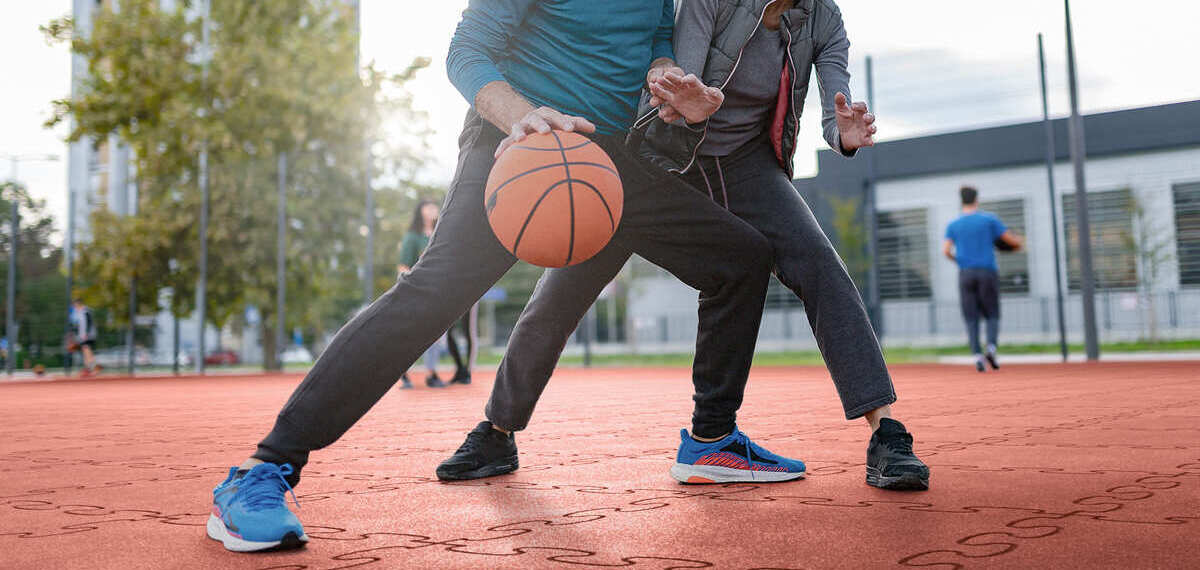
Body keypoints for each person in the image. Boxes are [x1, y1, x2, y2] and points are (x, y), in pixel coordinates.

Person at [208, 0, 781, 553]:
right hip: (518, 142)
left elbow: (653, 42)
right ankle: (263, 470)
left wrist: (668, 82)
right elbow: (466, 51)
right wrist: (522, 116)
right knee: (435, 294)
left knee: (743, 258)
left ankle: (712, 438)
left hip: (607, 161)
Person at [438, 0, 931, 492]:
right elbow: (674, 85)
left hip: (746, 167)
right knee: (563, 292)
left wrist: (843, 134)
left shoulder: (824, 17)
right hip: (668, 158)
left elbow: (836, 102)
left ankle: (885, 434)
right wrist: (685, 100)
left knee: (820, 264)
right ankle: (496, 432)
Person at [943, 185, 1024, 372]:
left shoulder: (954, 225)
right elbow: (1012, 241)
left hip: (966, 273)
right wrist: (1017, 242)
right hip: (987, 272)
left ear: (961, 200)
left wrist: (960, 261)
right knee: (992, 313)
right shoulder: (989, 220)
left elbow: (946, 250)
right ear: (976, 200)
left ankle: (977, 356)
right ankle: (991, 348)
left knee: (971, 316)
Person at [396, 200, 449, 389]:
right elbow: (403, 266)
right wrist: (407, 291)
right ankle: (403, 373)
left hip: (437, 291)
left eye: (435, 207)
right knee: (411, 334)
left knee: (435, 334)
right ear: (420, 212)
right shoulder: (412, 237)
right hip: (416, 291)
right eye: (429, 207)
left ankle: (431, 373)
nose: (433, 210)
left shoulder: (440, 234)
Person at [69, 299, 98, 376]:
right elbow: (79, 326)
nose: (74, 307)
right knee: (85, 350)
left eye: (75, 305)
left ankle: (93, 367)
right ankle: (88, 368)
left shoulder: (85, 311)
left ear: (78, 304)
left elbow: (88, 323)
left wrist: (86, 334)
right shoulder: (79, 313)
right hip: (83, 335)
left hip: (88, 335)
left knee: (86, 349)